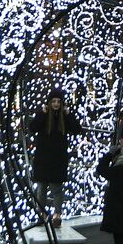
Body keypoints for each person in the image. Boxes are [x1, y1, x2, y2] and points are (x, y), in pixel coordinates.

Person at [29, 89, 83, 227]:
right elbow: (33, 127)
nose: (56, 104)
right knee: (41, 189)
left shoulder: (64, 117)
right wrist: (42, 113)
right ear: (49, 102)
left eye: (59, 101)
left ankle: (57, 215)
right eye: (53, 101)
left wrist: (69, 114)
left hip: (57, 159)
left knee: (56, 189)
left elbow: (77, 129)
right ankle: (42, 214)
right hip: (43, 159)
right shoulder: (44, 115)